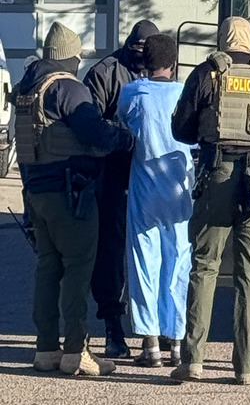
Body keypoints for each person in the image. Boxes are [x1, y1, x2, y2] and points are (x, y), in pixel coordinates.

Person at [169, 16, 250, 385]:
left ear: (223, 40)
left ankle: (193, 360)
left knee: (205, 266)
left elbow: (181, 129)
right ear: (249, 40)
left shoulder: (207, 74)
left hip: (217, 175)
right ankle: (247, 367)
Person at [12, 22, 135, 376]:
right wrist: (124, 137)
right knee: (78, 270)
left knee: (48, 269)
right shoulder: (67, 87)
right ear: (71, 58)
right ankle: (76, 351)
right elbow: (94, 133)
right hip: (72, 192)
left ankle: (46, 350)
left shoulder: (27, 88)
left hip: (36, 192)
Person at [83, 19, 160, 358]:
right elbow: (89, 124)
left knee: (152, 251)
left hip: (152, 176)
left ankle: (154, 333)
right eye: (137, 51)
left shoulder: (163, 69)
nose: (142, 58)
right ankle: (113, 326)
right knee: (110, 251)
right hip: (113, 173)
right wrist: (122, 136)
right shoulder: (106, 72)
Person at [117, 34, 193, 368]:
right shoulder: (183, 94)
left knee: (144, 263)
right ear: (174, 63)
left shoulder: (133, 93)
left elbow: (124, 126)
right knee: (178, 261)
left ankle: (149, 343)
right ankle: (176, 340)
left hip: (145, 191)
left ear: (144, 63)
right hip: (180, 191)